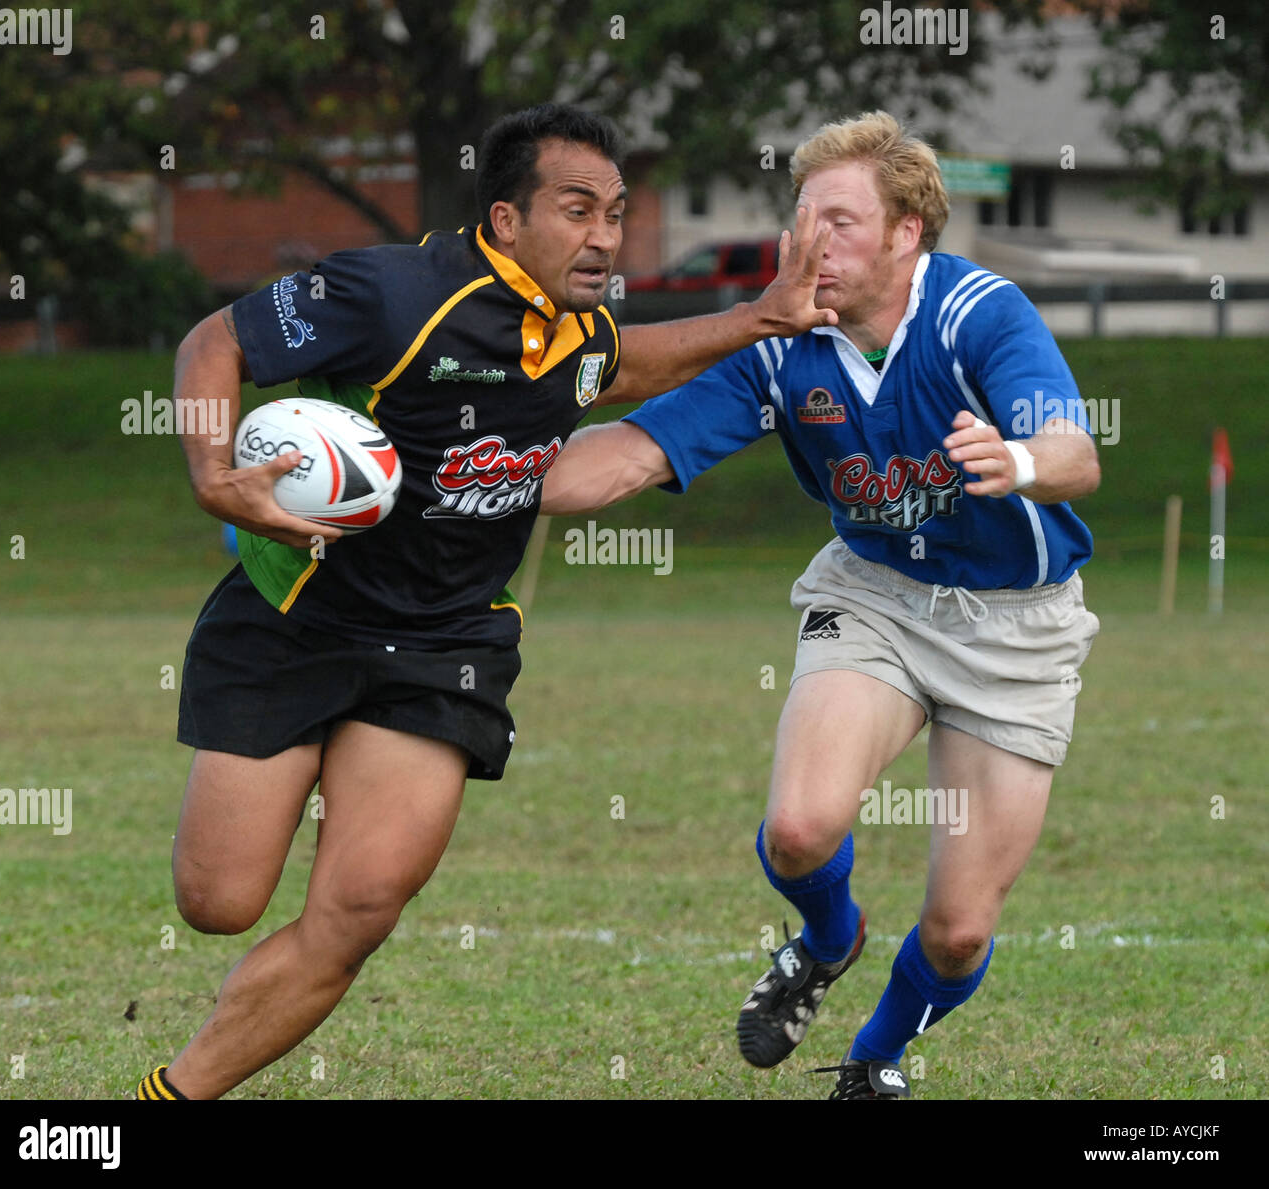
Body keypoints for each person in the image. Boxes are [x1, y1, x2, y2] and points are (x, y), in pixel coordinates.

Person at [134, 102, 836, 1101]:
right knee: (217, 900)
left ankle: (169, 1098)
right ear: (505, 220)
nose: (603, 236)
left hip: (445, 643)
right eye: (577, 209)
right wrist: (212, 469)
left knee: (361, 905)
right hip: (298, 616)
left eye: (617, 212)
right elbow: (214, 339)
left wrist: (764, 317)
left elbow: (616, 365)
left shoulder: (577, 331)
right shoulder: (389, 293)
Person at [540, 110, 1101, 1101]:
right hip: (874, 596)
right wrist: (477, 465)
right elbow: (623, 459)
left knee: (960, 927)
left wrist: (1014, 461)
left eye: (839, 223)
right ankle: (827, 942)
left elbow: (1074, 455)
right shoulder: (778, 345)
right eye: (802, 221)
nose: (811, 246)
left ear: (904, 235)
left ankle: (873, 1060)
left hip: (1017, 625)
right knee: (801, 827)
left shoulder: (976, 315)